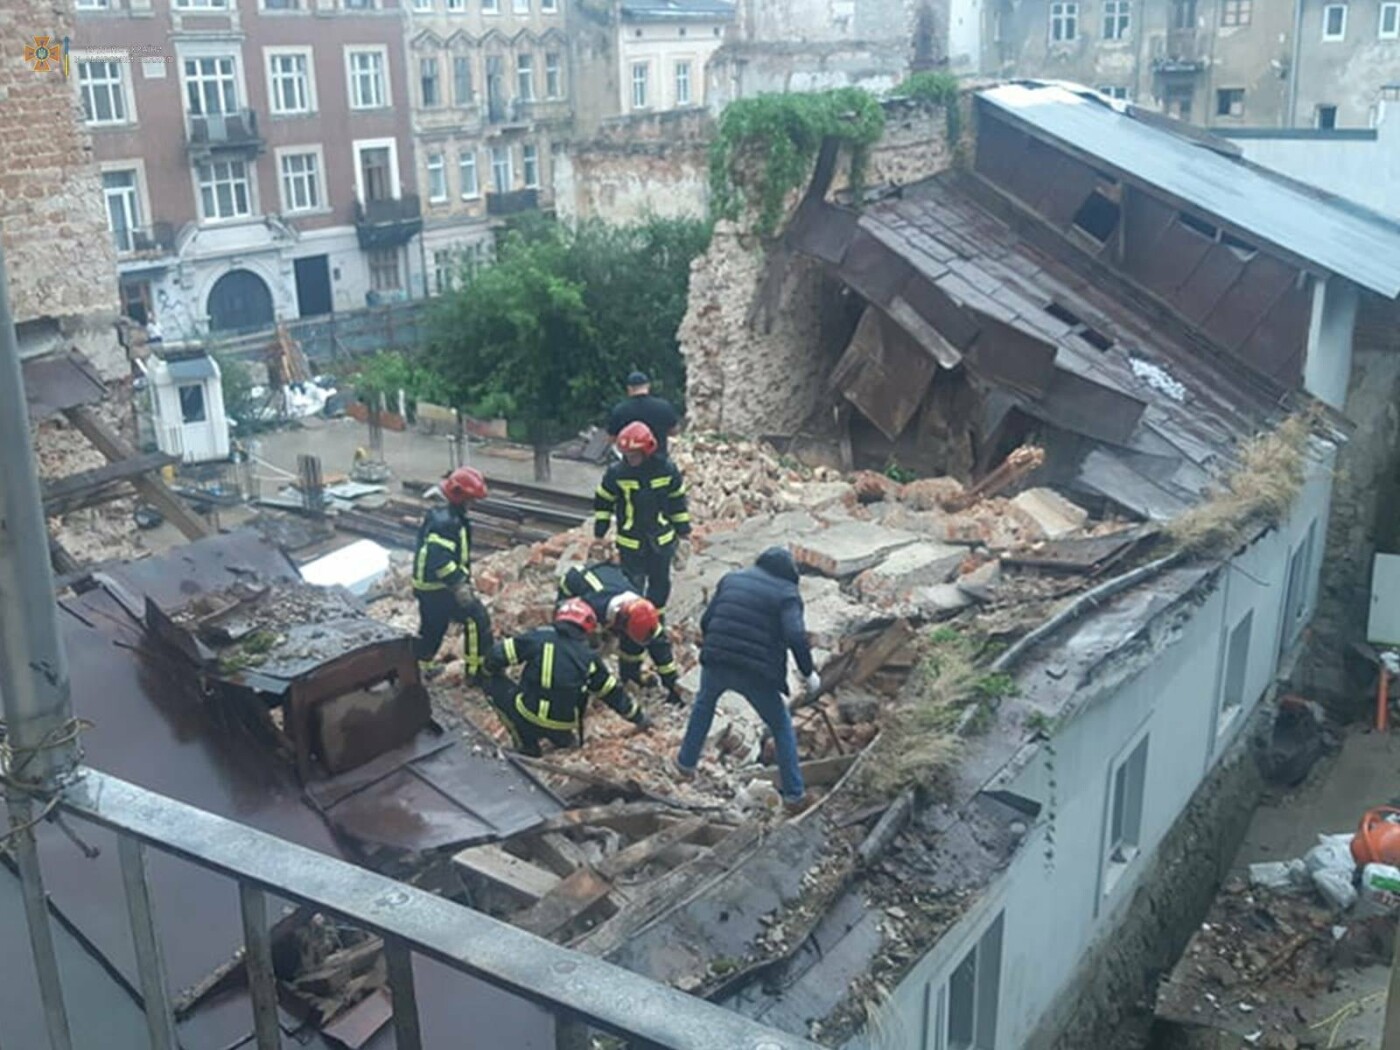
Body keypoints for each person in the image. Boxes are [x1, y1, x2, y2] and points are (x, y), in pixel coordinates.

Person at [675, 547, 820, 811]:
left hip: (716, 660)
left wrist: (718, 644)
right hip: (756, 671)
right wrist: (808, 672)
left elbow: (707, 620)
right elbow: (796, 636)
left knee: (703, 707)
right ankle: (794, 794)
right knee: (781, 725)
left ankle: (685, 765)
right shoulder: (787, 594)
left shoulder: (732, 579)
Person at [483, 598, 650, 756]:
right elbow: (612, 693)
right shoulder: (589, 657)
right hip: (563, 724)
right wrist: (639, 718)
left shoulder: (538, 638)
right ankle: (562, 738)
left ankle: (526, 745)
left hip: (529, 715)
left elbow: (496, 656)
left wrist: (490, 671)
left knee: (490, 684)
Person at [593, 421, 691, 619]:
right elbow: (603, 502)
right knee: (632, 586)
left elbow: (677, 503)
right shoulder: (617, 473)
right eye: (627, 456)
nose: (630, 459)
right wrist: (599, 532)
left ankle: (656, 619)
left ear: (648, 450)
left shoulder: (666, 470)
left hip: (661, 540)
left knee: (660, 583)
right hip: (631, 541)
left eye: (634, 455)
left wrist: (684, 532)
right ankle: (634, 620)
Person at [558, 562, 683, 707]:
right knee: (577, 646)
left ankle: (630, 676)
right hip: (573, 586)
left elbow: (661, 649)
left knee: (633, 644)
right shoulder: (591, 606)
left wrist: (672, 684)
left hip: (609, 584)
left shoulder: (642, 612)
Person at [412, 466, 493, 679]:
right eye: (470, 499)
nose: (472, 504)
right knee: (476, 618)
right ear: (458, 495)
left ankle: (420, 667)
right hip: (439, 586)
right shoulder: (446, 522)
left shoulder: (445, 513)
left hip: (427, 585)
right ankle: (477, 672)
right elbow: (439, 559)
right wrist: (458, 584)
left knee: (433, 626)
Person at [606, 371, 680, 459]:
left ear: (629, 389)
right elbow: (674, 431)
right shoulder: (664, 406)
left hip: (631, 465)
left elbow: (612, 439)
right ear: (648, 386)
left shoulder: (620, 410)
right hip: (660, 463)